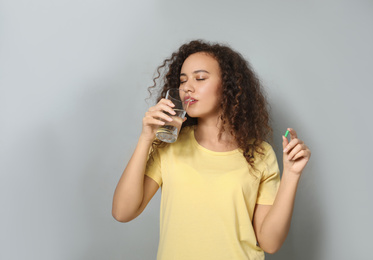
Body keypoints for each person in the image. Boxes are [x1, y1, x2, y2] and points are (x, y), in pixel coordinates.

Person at [112, 40, 311, 260]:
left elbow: (270, 243)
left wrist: (292, 174)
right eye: (182, 80)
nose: (187, 87)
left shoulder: (260, 154)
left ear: (228, 85)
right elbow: (122, 212)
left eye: (200, 78)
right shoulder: (169, 146)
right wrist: (146, 137)